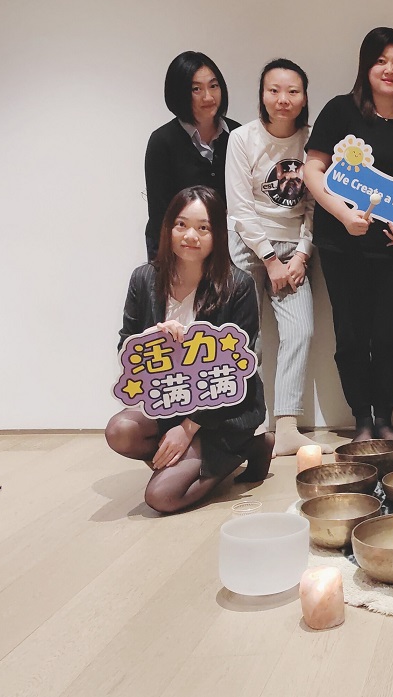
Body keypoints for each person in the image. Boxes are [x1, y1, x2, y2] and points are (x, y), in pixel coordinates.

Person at [304, 28, 393, 442]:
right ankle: (361, 420)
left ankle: (385, 419)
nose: (389, 70)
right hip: (341, 244)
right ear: (365, 66)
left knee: (390, 336)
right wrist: (344, 215)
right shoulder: (339, 111)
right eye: (380, 61)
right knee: (350, 334)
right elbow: (312, 170)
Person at [106, 186, 271, 514]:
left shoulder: (237, 285)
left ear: (217, 234)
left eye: (203, 227)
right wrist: (149, 337)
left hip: (223, 410)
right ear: (168, 228)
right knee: (120, 431)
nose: (190, 236)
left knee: (161, 497)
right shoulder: (144, 279)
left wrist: (188, 428)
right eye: (181, 225)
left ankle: (250, 446)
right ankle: (182, 461)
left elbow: (238, 370)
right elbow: (127, 347)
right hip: (171, 398)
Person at [225, 58, 324, 457]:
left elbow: (316, 203)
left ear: (304, 98)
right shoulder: (242, 138)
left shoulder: (313, 140)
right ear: (262, 95)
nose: (283, 99)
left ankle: (286, 428)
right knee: (244, 337)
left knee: (300, 331)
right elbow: (239, 207)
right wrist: (269, 259)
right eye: (274, 90)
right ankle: (245, 426)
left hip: (294, 247)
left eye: (292, 91)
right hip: (248, 246)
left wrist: (301, 254)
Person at [144, 52, 241, 259]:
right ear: (178, 93)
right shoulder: (162, 141)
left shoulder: (237, 134)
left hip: (229, 248)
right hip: (177, 248)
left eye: (213, 86)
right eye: (196, 89)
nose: (208, 97)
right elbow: (160, 212)